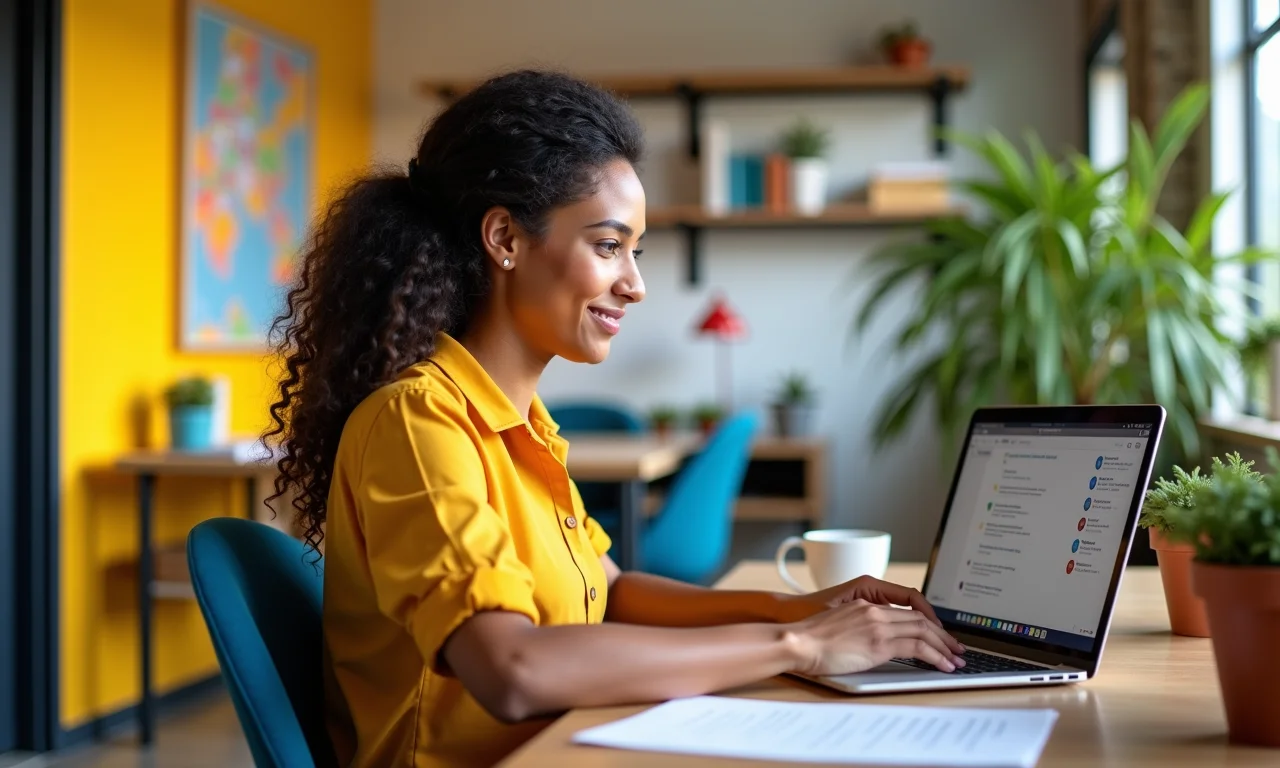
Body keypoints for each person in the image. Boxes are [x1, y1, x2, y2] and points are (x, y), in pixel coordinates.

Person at [266, 70, 965, 768]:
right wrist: (802, 649)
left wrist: (800, 610)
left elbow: (614, 591)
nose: (634, 283)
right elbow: (511, 669)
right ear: (505, 238)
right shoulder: (417, 422)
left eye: (636, 251)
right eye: (608, 246)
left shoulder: (524, 425)